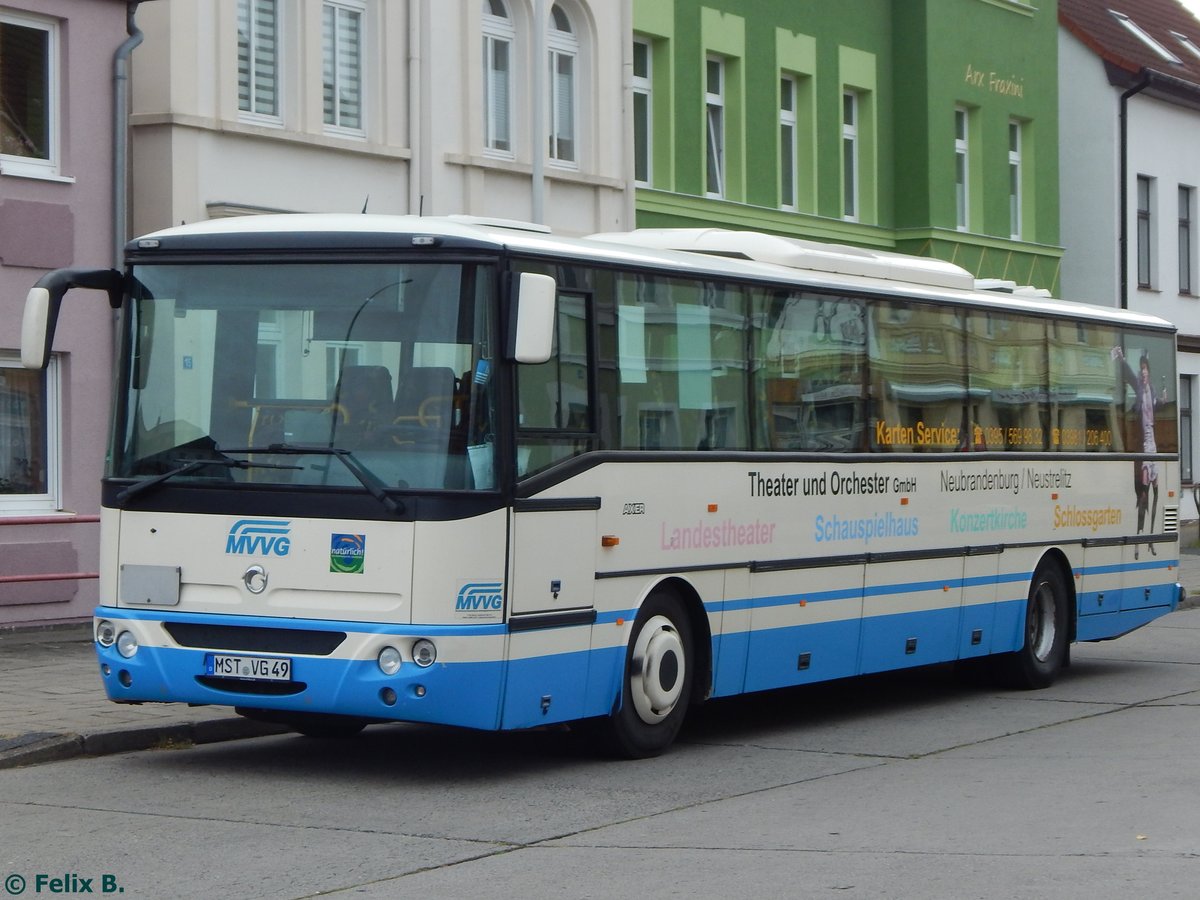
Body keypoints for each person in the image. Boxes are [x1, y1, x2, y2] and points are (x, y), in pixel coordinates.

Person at [1115, 346, 1167, 556]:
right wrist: (1121, 359)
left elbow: (1158, 406)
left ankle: (1151, 540)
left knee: (1157, 493)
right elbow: (1128, 375)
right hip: (1144, 447)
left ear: (1149, 374)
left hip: (1153, 445)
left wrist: (1163, 400)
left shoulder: (1152, 391)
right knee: (1143, 496)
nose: (1144, 375)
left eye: (1146, 371)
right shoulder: (1139, 390)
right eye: (1142, 371)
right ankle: (1138, 540)